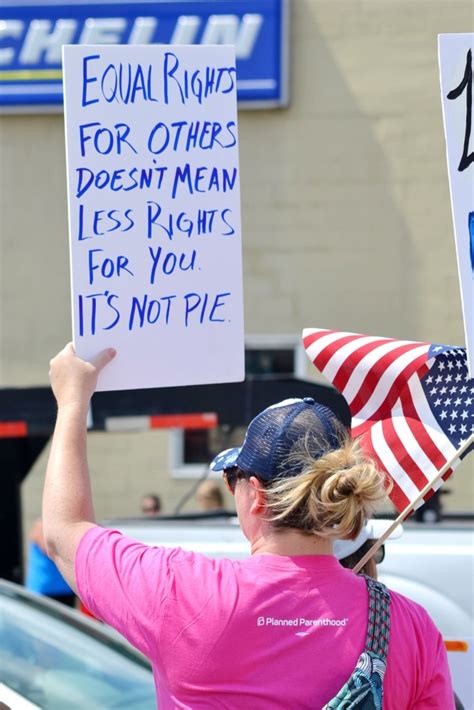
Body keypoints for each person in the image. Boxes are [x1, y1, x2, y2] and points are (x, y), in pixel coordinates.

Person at [43, 344, 455, 709]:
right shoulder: (411, 626)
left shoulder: (181, 592)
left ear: (254, 494)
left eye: (231, 478)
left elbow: (64, 533)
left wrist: (72, 400)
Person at [25, 518, 75, 607]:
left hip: (65, 588)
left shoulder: (64, 529)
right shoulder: (41, 526)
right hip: (45, 588)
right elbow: (47, 548)